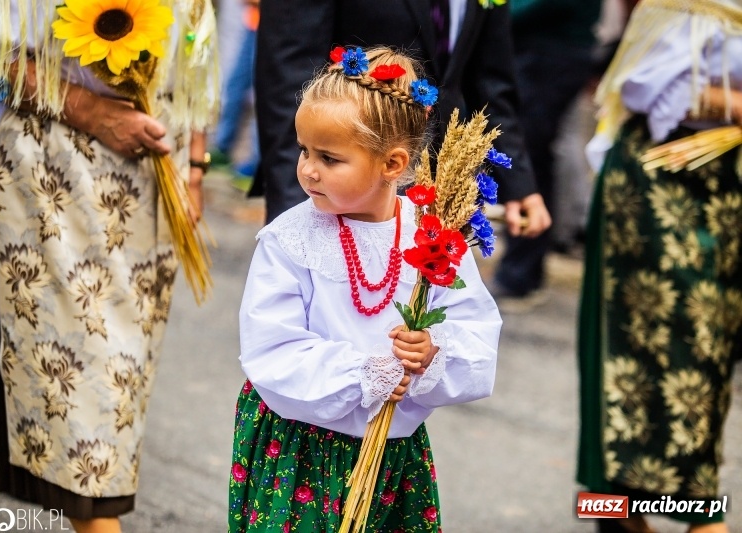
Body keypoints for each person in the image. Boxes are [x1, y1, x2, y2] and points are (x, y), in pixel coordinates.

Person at [0, 2, 217, 532]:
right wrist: (92, 113)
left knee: (99, 412)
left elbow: (196, 42)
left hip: (137, 184)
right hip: (13, 180)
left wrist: (196, 166)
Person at [229, 47, 502, 530]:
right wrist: (365, 374)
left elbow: (476, 332)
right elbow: (270, 347)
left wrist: (430, 352)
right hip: (299, 446)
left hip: (390, 454)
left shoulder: (434, 235)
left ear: (392, 164)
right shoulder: (290, 239)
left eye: (329, 158)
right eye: (304, 151)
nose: (308, 169)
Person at [577, 1, 742, 532]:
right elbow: (648, 83)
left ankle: (641, 507)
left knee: (715, 347)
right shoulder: (698, 5)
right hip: (660, 179)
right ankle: (647, 507)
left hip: (725, 179)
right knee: (672, 339)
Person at [251, 0, 552, 239]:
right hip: (339, 187)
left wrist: (518, 181)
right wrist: (295, 205)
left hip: (434, 189)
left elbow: (490, 80)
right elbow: (287, 75)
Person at [491, 0, 602, 299]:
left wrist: (487, 12)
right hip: (545, 48)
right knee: (537, 149)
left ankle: (521, 271)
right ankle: (523, 266)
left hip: (550, 53)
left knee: (528, 151)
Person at [210, 0, 260, 180]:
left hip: (273, 29)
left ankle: (257, 162)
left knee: (261, 93)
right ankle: (223, 146)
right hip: (252, 24)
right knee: (234, 85)